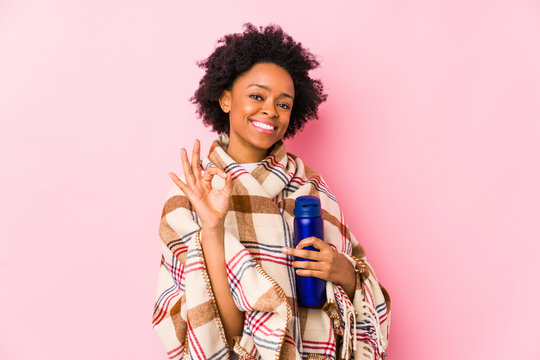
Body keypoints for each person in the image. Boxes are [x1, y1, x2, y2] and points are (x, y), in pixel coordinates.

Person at [152, 23, 391, 360]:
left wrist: (344, 272)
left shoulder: (312, 188)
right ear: (224, 98)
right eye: (256, 96)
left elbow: (364, 311)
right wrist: (213, 228)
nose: (270, 110)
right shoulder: (192, 197)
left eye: (283, 104)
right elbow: (221, 334)